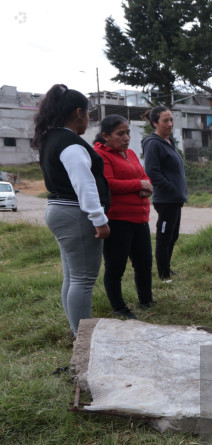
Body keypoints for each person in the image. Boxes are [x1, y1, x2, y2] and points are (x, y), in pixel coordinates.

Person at [33, 84, 110, 336]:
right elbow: (84, 183)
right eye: (89, 113)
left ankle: (77, 335)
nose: (89, 119)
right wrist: (99, 218)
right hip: (75, 213)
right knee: (83, 280)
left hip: (58, 209)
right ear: (79, 112)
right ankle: (83, 341)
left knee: (73, 277)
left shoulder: (50, 138)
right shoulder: (71, 143)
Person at [93, 115, 154, 319]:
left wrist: (146, 186)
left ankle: (146, 300)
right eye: (120, 134)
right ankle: (119, 307)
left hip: (140, 218)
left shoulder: (130, 153)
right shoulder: (101, 155)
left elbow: (144, 176)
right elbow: (108, 183)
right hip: (118, 220)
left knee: (144, 263)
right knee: (116, 267)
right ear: (106, 136)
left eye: (127, 132)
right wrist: (138, 185)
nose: (126, 137)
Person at [142, 106, 186, 283]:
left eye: (171, 119)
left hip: (175, 198)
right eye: (165, 120)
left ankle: (166, 268)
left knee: (173, 236)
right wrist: (170, 188)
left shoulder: (168, 141)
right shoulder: (153, 143)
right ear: (155, 123)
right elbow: (152, 172)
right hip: (166, 199)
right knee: (164, 236)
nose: (170, 123)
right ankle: (163, 274)